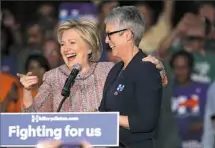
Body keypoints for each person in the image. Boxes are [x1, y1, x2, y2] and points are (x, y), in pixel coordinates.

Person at [18, 19, 166, 113]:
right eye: (63, 44)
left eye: (72, 43)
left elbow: (143, 87)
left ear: (89, 47)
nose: (66, 48)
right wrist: (27, 91)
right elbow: (33, 120)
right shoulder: (52, 77)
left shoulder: (108, 71)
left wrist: (158, 70)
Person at [99, 6, 163, 148]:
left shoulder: (146, 68)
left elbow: (146, 122)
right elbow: (102, 112)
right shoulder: (115, 69)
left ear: (127, 35)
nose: (106, 40)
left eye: (109, 34)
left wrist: (112, 119)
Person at [170, 50, 209, 147]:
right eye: (176, 68)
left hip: (200, 142)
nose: (180, 72)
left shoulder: (206, 89)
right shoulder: (165, 91)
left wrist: (205, 123)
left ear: (190, 68)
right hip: (173, 142)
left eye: (183, 68)